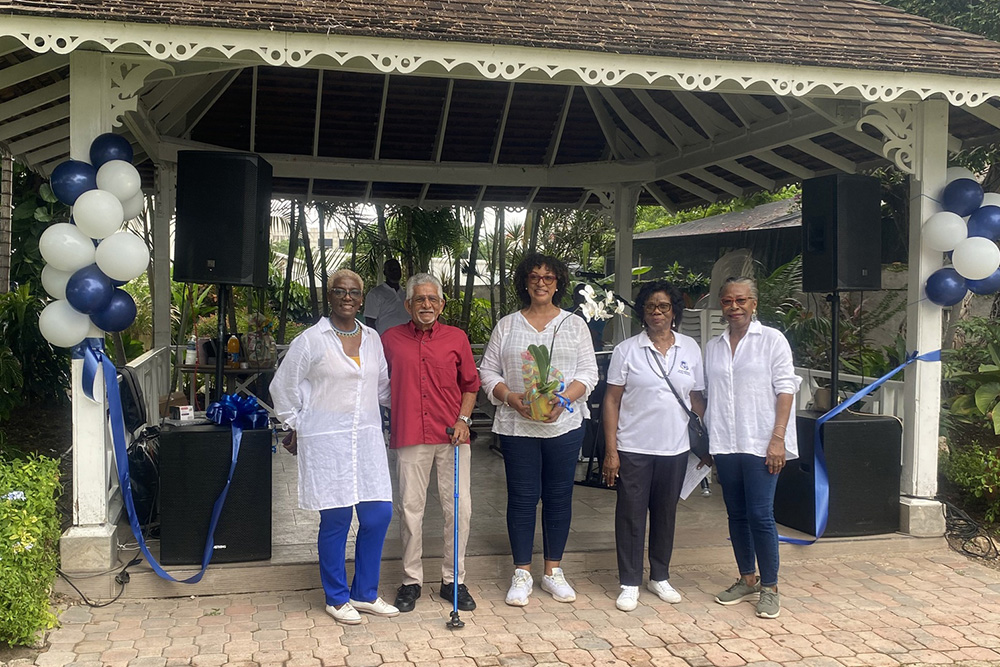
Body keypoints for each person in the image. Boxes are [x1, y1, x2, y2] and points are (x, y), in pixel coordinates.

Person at [270, 269, 399, 625]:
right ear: (329, 296)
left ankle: (365, 593)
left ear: (361, 299)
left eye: (354, 292)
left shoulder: (372, 338)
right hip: (327, 442)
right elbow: (283, 387)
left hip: (367, 439)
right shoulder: (311, 340)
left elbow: (383, 387)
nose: (347, 297)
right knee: (337, 518)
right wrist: (297, 424)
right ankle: (337, 597)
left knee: (378, 514)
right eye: (340, 291)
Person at [479, 252, 599, 607]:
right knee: (522, 498)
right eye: (534, 277)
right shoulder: (508, 325)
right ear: (525, 283)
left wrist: (563, 399)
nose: (541, 283)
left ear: (558, 283)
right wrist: (511, 398)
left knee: (559, 497)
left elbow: (588, 373)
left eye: (548, 277)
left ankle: (553, 571)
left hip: (565, 426)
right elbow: (488, 372)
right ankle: (521, 572)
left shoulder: (574, 325)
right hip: (518, 426)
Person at [601, 280, 706, 612]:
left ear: (674, 311)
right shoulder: (627, 350)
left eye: (663, 306)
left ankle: (659, 576)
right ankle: (629, 581)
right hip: (633, 447)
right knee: (630, 516)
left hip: (675, 448)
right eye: (650, 306)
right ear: (642, 312)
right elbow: (611, 401)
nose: (657, 312)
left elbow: (696, 399)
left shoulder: (690, 348)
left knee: (665, 514)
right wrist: (611, 451)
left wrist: (705, 441)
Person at [381, 273, 481, 613]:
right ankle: (411, 581)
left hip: (453, 436)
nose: (426, 304)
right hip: (410, 434)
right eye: (420, 299)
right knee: (410, 509)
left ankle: (453, 580)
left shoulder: (457, 338)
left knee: (459, 509)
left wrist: (463, 420)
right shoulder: (390, 340)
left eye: (432, 299)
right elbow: (375, 384)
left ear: (441, 304)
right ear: (408, 305)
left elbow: (471, 384)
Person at [704, 276, 800, 620]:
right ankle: (747, 578)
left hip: (762, 442)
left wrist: (778, 439)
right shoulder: (713, 347)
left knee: (760, 514)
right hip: (726, 442)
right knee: (736, 514)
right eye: (727, 301)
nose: (734, 307)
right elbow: (707, 394)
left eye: (741, 300)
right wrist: (707, 437)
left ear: (754, 304)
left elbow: (786, 389)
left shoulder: (772, 340)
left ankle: (770, 587)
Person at [364, 258, 410, 334]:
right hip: (384, 339)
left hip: (406, 338)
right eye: (391, 269)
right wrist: (375, 339)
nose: (395, 272)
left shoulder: (406, 294)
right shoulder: (375, 294)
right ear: (385, 272)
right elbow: (370, 322)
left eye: (397, 269)